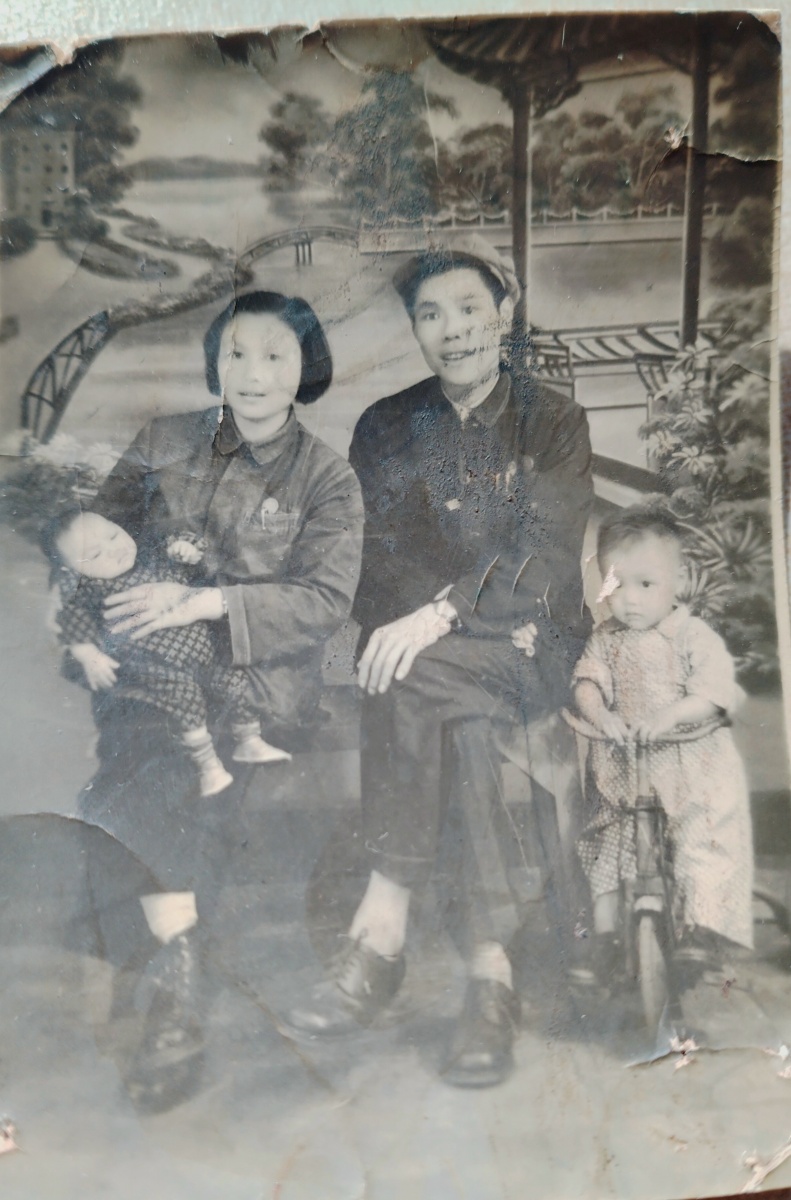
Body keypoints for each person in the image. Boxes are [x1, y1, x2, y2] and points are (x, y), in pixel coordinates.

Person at [286, 236, 594, 1087]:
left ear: (504, 313)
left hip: (530, 643)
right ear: (414, 329)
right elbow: (371, 559)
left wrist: (442, 615)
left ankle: (382, 925)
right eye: (429, 314)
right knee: (445, 707)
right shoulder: (387, 424)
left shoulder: (552, 420)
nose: (451, 330)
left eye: (467, 309)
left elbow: (544, 556)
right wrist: (423, 625)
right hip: (430, 657)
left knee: (415, 676)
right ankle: (490, 978)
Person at [81, 289, 364, 1111]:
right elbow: (90, 543)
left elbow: (323, 602)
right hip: (153, 670)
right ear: (215, 361)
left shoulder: (327, 479)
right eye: (236, 353)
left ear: (307, 368)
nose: (253, 373)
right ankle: (174, 961)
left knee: (167, 773)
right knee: (143, 761)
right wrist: (116, 611)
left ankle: (174, 989)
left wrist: (203, 604)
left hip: (258, 683)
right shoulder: (162, 442)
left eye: (276, 355)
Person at [573, 507, 753, 975]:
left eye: (646, 584)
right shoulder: (605, 639)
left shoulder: (691, 635)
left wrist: (672, 713)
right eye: (616, 584)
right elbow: (587, 683)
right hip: (627, 770)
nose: (629, 600)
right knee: (609, 845)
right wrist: (600, 713)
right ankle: (605, 939)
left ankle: (702, 929)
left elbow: (713, 693)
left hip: (691, 765)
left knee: (702, 839)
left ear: (679, 580)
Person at [44, 509, 290, 799]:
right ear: (74, 571)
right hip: (158, 667)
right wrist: (88, 655)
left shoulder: (152, 554)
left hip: (204, 650)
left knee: (234, 683)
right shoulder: (91, 588)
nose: (114, 550)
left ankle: (249, 740)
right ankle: (209, 768)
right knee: (187, 707)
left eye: (113, 535)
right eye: (95, 555)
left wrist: (186, 550)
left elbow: (191, 561)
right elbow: (72, 617)